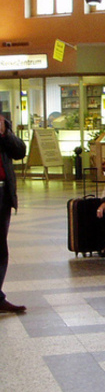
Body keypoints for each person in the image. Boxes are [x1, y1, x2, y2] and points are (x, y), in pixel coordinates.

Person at [0, 114, 26, 313]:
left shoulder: (4, 126)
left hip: (2, 193)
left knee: (0, 249)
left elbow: (20, 152)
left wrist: (5, 133)